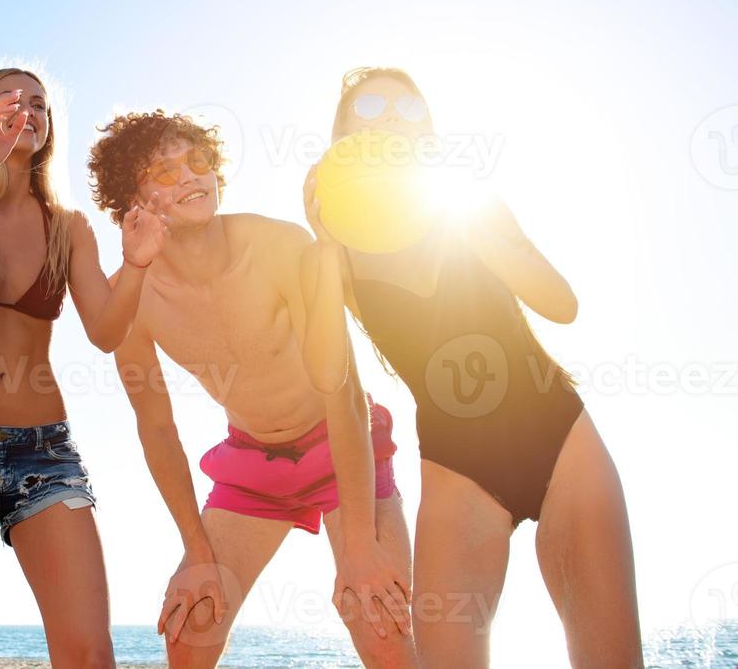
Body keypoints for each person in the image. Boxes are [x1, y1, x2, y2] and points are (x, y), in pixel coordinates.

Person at [303, 67, 642, 667]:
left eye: (410, 112)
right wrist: (328, 243)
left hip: (560, 439)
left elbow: (561, 305)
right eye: (373, 107)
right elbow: (331, 377)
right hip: (457, 469)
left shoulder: (471, 203)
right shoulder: (335, 256)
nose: (391, 119)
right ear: (342, 138)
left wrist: (474, 226)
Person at [87, 110, 416, 669]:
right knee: (190, 629)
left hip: (343, 446)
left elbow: (342, 390)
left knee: (379, 620)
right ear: (131, 201)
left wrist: (360, 543)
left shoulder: (279, 246)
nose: (190, 176)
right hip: (254, 463)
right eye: (164, 172)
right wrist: (195, 549)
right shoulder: (129, 295)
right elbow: (157, 427)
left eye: (198, 161)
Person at [0, 67, 167, 669]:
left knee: (91, 656)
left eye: (40, 104)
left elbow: (104, 333)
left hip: (45, 455)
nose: (29, 113)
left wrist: (138, 265)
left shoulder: (68, 226)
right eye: (11, 101)